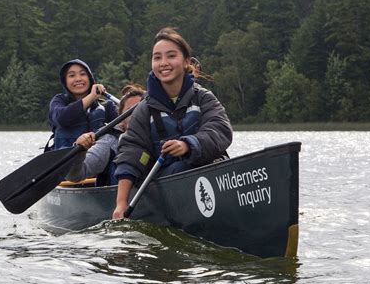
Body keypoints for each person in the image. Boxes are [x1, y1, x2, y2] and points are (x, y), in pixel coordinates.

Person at [112, 27, 232, 219]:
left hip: (207, 174)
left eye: (171, 56)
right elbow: (132, 153)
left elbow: (219, 130)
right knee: (175, 168)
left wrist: (188, 145)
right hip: (167, 185)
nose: (163, 63)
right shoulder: (144, 110)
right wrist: (121, 204)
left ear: (186, 62)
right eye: (157, 57)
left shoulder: (204, 98)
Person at [66, 84, 146, 186]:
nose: (137, 115)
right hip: (116, 197)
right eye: (130, 111)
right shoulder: (109, 142)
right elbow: (73, 176)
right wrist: (80, 152)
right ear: (121, 119)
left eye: (141, 109)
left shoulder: (162, 133)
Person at [47, 59, 118, 150]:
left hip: (98, 156)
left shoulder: (107, 106)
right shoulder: (59, 101)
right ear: (65, 82)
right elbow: (62, 118)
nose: (78, 79)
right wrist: (92, 96)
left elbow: (121, 129)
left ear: (90, 78)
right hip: (66, 158)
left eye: (83, 74)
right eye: (72, 75)